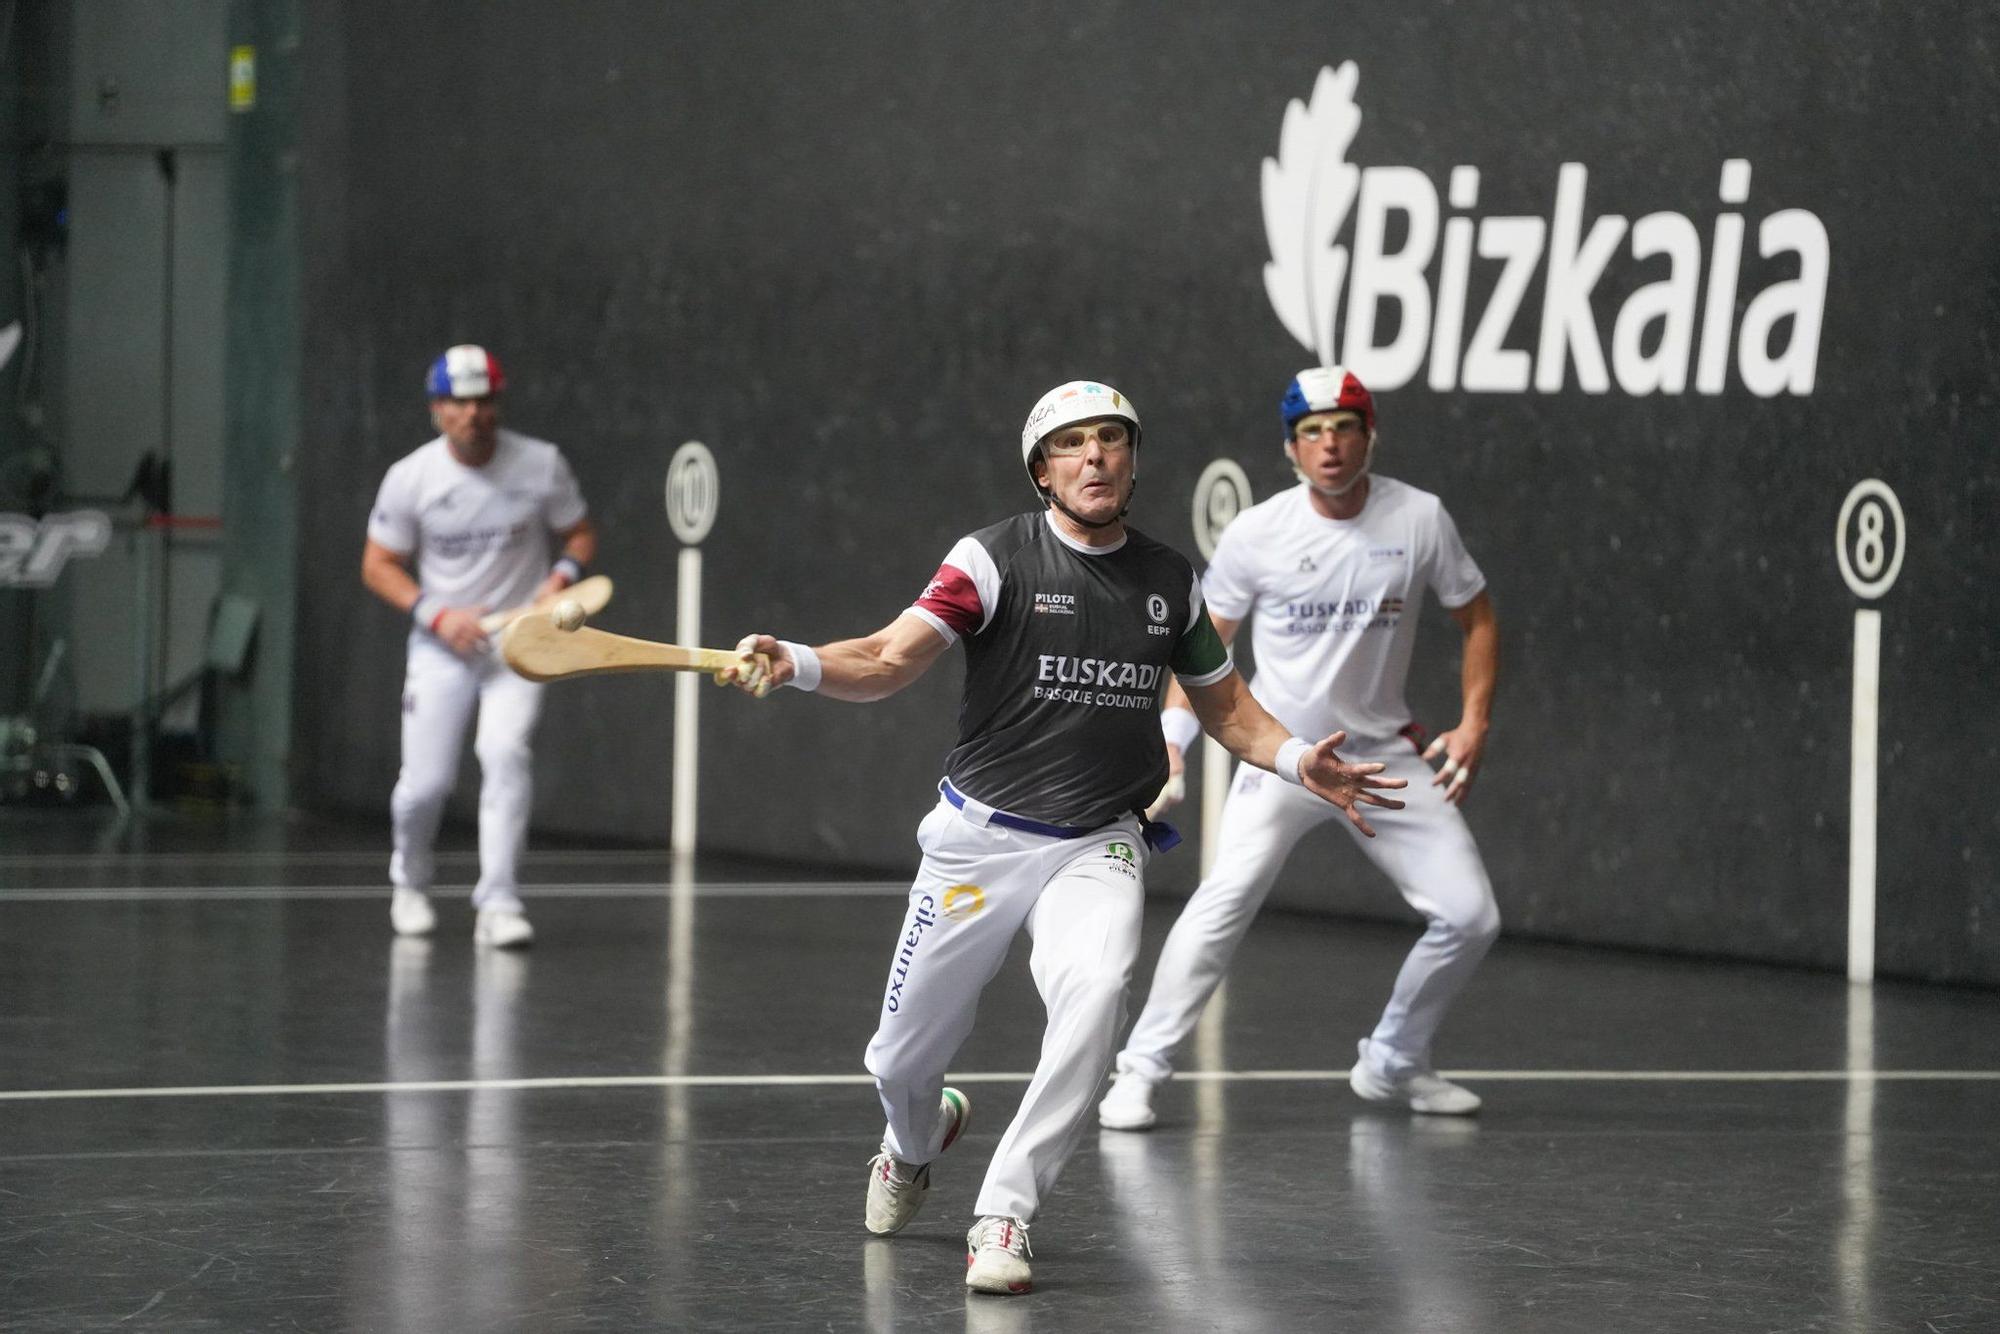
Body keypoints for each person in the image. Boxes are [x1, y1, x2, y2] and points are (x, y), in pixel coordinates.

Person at [719, 380, 1406, 1295]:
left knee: (1097, 993)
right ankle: (913, 1142)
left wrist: (1293, 759)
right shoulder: (991, 558)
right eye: (1073, 444)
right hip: (977, 841)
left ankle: (1005, 1212)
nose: (1095, 456)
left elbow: (1230, 709)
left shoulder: (1170, 581)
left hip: (1097, 841)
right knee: (900, 1058)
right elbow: (887, 659)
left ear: (1131, 460)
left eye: (1111, 440)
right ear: (1043, 471)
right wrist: (799, 662)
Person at [1098, 365, 1500, 1130]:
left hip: (1382, 757)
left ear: (1369, 436)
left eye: (1344, 427)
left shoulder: (1420, 518)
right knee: (1223, 903)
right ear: (1291, 449)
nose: (1329, 445)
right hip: (1282, 758)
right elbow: (1201, 648)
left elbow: (1476, 616)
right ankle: (1139, 1072)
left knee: (1471, 917)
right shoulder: (1259, 533)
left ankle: (1393, 1061)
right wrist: (1173, 743)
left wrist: (1473, 721)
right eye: (1311, 432)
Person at [361, 346, 597, 948]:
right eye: (459, 402)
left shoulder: (541, 464)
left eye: (484, 400)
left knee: (505, 753)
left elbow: (579, 534)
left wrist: (559, 579)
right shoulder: (411, 478)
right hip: (441, 647)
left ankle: (499, 902)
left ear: (498, 403)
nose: (473, 413)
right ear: (437, 409)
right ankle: (410, 882)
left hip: (518, 646)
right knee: (426, 785)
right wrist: (437, 615)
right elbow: (378, 564)